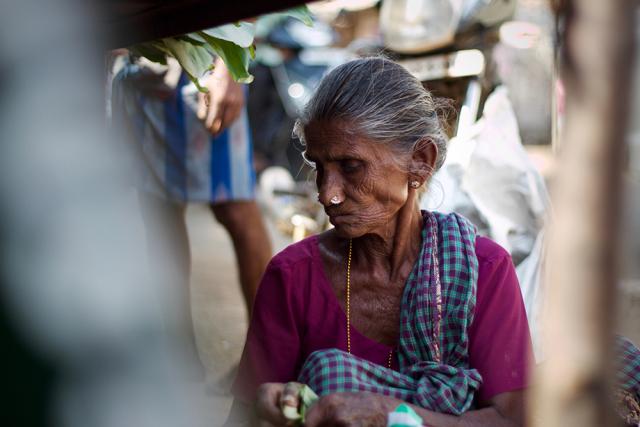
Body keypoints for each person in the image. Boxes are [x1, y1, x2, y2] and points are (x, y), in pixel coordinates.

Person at [227, 57, 534, 426]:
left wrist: (391, 414)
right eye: (319, 167)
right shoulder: (293, 277)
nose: (328, 194)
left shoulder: (483, 271)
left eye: (351, 166)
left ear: (421, 161)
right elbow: (242, 419)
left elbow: (515, 420)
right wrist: (264, 407)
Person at [111, 55, 272, 379]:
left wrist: (229, 69)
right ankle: (181, 360)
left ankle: (265, 359)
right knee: (160, 214)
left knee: (235, 209)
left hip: (205, 69)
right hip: (145, 77)